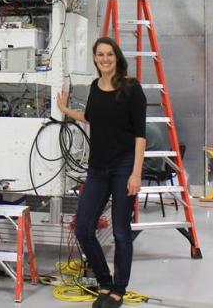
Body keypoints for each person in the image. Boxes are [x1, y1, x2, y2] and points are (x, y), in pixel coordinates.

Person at [56, 36, 147, 308]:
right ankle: (104, 283)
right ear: (95, 59)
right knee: (83, 228)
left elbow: (140, 135)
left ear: (116, 57)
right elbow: (92, 117)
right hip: (97, 168)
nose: (104, 59)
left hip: (123, 168)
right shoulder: (95, 87)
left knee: (120, 231)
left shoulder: (132, 88)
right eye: (100, 55)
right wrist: (65, 110)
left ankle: (118, 289)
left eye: (109, 54)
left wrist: (136, 173)